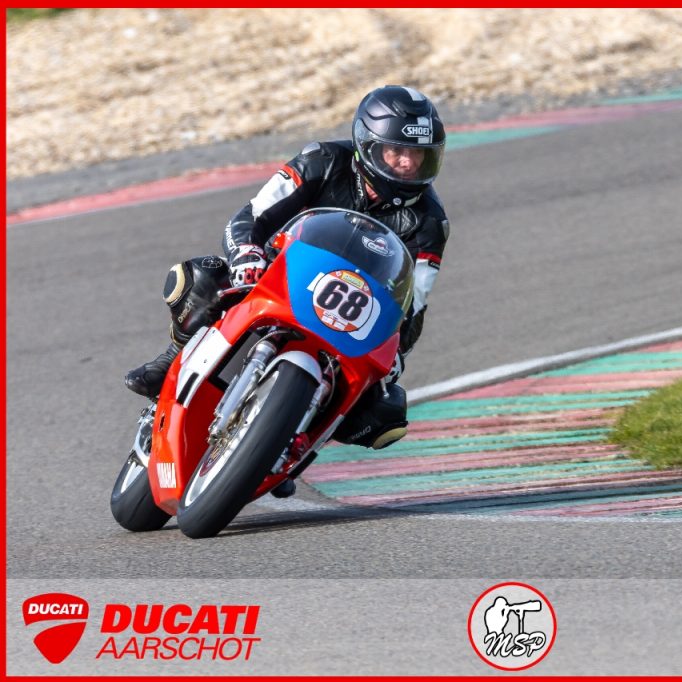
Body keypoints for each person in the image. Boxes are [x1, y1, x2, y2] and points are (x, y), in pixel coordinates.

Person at [125, 86, 450, 485]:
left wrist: (397, 352)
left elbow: (413, 302)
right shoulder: (321, 160)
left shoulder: (430, 223)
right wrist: (247, 252)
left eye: (418, 155)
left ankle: (291, 436)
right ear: (368, 145)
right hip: (278, 276)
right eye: (396, 151)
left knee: (384, 412)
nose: (408, 163)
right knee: (199, 280)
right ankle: (171, 360)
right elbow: (251, 215)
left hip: (348, 314)